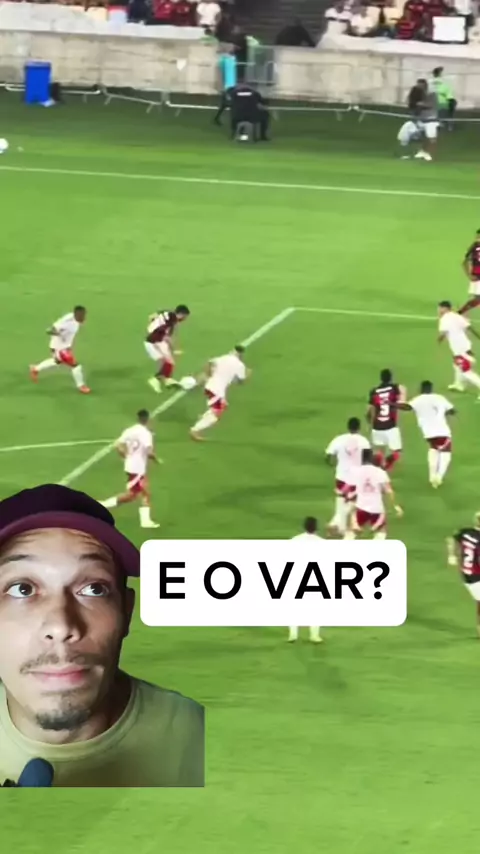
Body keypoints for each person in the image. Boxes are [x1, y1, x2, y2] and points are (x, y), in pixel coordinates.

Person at [0, 484, 204, 787]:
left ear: (127, 611)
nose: (61, 626)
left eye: (94, 589)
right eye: (22, 589)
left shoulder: (201, 740)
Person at [99, 409, 160, 528]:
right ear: (148, 419)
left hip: (131, 465)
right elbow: (149, 452)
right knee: (140, 494)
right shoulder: (145, 434)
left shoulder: (130, 430)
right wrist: (157, 460)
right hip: (138, 468)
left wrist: (125, 455)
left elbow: (118, 444)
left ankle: (103, 505)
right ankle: (145, 521)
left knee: (135, 494)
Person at [396, 381, 455, 487]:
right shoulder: (439, 397)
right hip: (442, 431)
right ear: (431, 388)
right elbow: (452, 410)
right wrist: (444, 413)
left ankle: (432, 476)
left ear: (421, 389)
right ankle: (439, 477)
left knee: (434, 449)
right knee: (446, 454)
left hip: (427, 432)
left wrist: (394, 403)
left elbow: (407, 407)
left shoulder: (418, 399)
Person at [190, 345, 249, 440]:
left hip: (210, 386)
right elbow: (240, 382)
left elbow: (210, 362)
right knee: (216, 414)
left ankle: (205, 417)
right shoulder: (240, 365)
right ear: (241, 355)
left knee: (222, 405)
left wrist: (208, 374)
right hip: (216, 391)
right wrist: (247, 374)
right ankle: (195, 430)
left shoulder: (224, 357)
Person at [325, 417, 370, 535]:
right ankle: (336, 522)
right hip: (356, 478)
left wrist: (333, 465)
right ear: (359, 428)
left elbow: (328, 456)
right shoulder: (364, 441)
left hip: (341, 476)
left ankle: (342, 527)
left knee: (340, 500)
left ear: (348, 427)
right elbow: (368, 460)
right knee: (353, 501)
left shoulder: (339, 439)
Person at [29, 306, 90, 394]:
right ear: (76, 315)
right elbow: (50, 330)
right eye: (82, 316)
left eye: (84, 315)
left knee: (57, 361)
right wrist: (60, 335)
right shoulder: (67, 323)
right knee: (75, 366)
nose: (84, 317)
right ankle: (81, 386)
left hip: (64, 347)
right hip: (60, 348)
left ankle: (35, 369)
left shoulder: (71, 317)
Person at [345, 449, 403, 540]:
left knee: (351, 532)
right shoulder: (381, 473)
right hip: (376, 508)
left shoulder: (357, 471)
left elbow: (350, 487)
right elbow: (389, 491)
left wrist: (348, 497)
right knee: (381, 532)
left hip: (361, 506)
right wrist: (395, 506)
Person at [288, 517, 324, 644]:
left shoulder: (295, 540)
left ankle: (293, 634)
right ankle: (314, 635)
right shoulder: (321, 542)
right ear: (315, 527)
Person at [447, 513, 480, 637]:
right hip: (475, 575)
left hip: (466, 572)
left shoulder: (466, 532)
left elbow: (451, 538)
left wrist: (451, 555)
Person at [437, 300, 480, 395]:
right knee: (456, 365)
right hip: (465, 345)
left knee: (466, 372)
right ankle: (459, 385)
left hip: (460, 349)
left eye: (440, 308)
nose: (438, 310)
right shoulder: (457, 316)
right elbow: (469, 327)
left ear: (445, 308)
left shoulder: (444, 319)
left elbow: (443, 333)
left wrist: (439, 340)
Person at [366, 369, 406, 471]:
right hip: (391, 426)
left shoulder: (374, 391)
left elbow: (369, 410)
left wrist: (369, 423)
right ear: (391, 378)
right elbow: (402, 399)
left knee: (380, 451)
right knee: (397, 452)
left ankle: (377, 468)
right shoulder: (395, 388)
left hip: (377, 426)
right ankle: (385, 466)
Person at [145, 305, 190, 394]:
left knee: (170, 361)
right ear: (181, 314)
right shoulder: (171, 322)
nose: (185, 319)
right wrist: (175, 349)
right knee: (166, 360)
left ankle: (167, 380)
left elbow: (151, 316)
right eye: (185, 317)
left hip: (157, 339)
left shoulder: (167, 312)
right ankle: (155, 379)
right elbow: (167, 338)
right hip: (153, 341)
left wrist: (151, 326)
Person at [407, 78, 439, 161]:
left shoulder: (432, 94)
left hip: (431, 118)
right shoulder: (418, 94)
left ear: (425, 86)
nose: (418, 87)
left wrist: (420, 104)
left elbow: (431, 105)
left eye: (420, 86)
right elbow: (411, 103)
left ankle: (430, 154)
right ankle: (422, 151)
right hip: (421, 118)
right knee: (422, 136)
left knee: (431, 138)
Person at [214, 43, 237, 127]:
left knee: (225, 104)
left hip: (229, 85)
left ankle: (217, 118)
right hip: (228, 86)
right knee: (230, 103)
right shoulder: (226, 60)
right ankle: (232, 120)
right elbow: (224, 73)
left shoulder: (228, 59)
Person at [459, 229, 480, 315]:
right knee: (477, 299)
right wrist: (469, 275)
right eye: (477, 237)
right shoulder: (474, 248)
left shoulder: (474, 247)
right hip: (477, 276)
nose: (478, 239)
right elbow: (464, 262)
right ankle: (459, 313)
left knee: (477, 300)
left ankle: (459, 313)